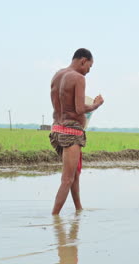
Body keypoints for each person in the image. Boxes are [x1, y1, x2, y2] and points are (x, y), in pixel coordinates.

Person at [49, 48, 104, 215]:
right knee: (67, 179)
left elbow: (64, 104)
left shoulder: (57, 75)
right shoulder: (78, 78)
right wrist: (96, 105)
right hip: (71, 133)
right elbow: (80, 109)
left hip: (57, 129)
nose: (88, 71)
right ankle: (54, 218)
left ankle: (79, 209)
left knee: (74, 175)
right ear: (83, 60)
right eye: (89, 66)